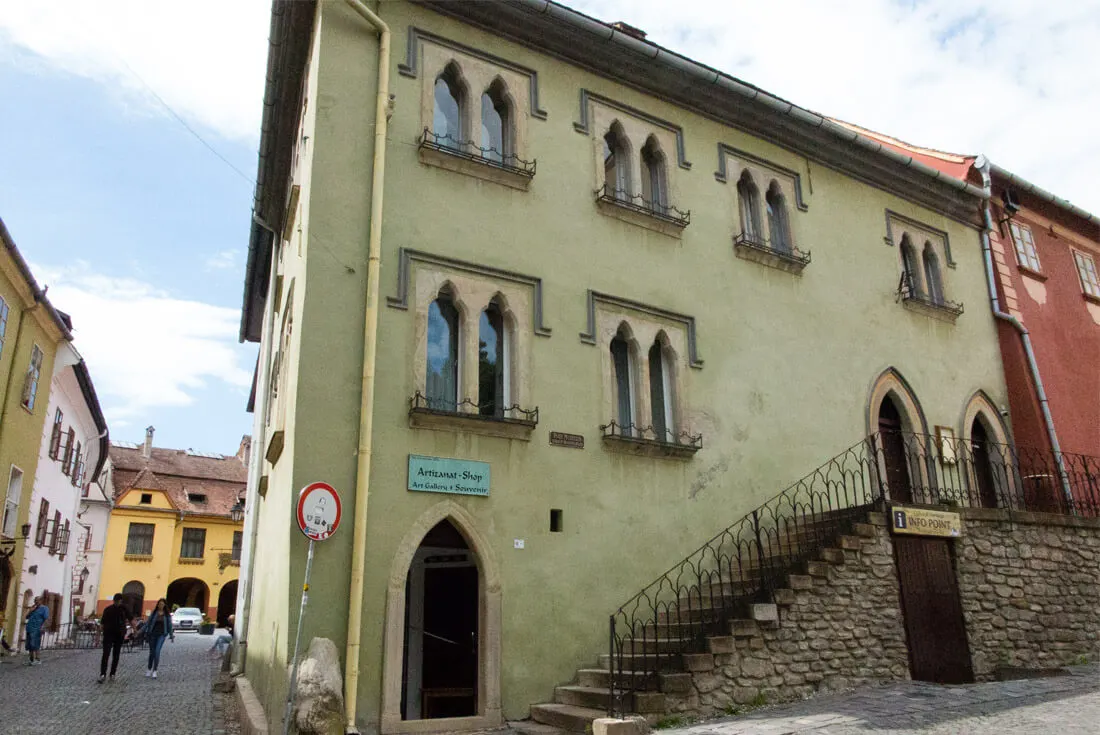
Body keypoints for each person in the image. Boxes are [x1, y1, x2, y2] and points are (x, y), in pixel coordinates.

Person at [98, 593, 132, 682]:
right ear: (114, 601)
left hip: (119, 634)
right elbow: (102, 623)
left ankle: (112, 673)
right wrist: (99, 633)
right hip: (108, 634)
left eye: (119, 601)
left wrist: (134, 630)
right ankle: (103, 674)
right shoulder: (108, 609)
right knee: (106, 654)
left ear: (121, 601)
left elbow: (131, 619)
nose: (117, 603)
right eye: (116, 601)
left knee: (116, 655)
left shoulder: (124, 609)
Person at [144, 598, 174, 679]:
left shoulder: (167, 615)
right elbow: (147, 623)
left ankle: (155, 670)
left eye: (162, 604)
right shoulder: (154, 613)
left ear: (164, 605)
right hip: (152, 635)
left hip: (161, 635)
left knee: (157, 652)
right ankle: (149, 669)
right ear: (157, 605)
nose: (161, 605)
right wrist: (139, 631)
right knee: (152, 653)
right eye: (159, 604)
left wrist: (171, 635)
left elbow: (169, 625)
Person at [24, 596, 49, 665]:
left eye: (37, 600)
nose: (35, 602)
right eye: (35, 600)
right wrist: (30, 611)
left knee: (35, 644)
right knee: (29, 645)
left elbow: (46, 619)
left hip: (37, 628)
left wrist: (43, 627)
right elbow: (26, 617)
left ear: (41, 601)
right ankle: (31, 660)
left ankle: (37, 659)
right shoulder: (33, 608)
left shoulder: (44, 608)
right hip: (29, 628)